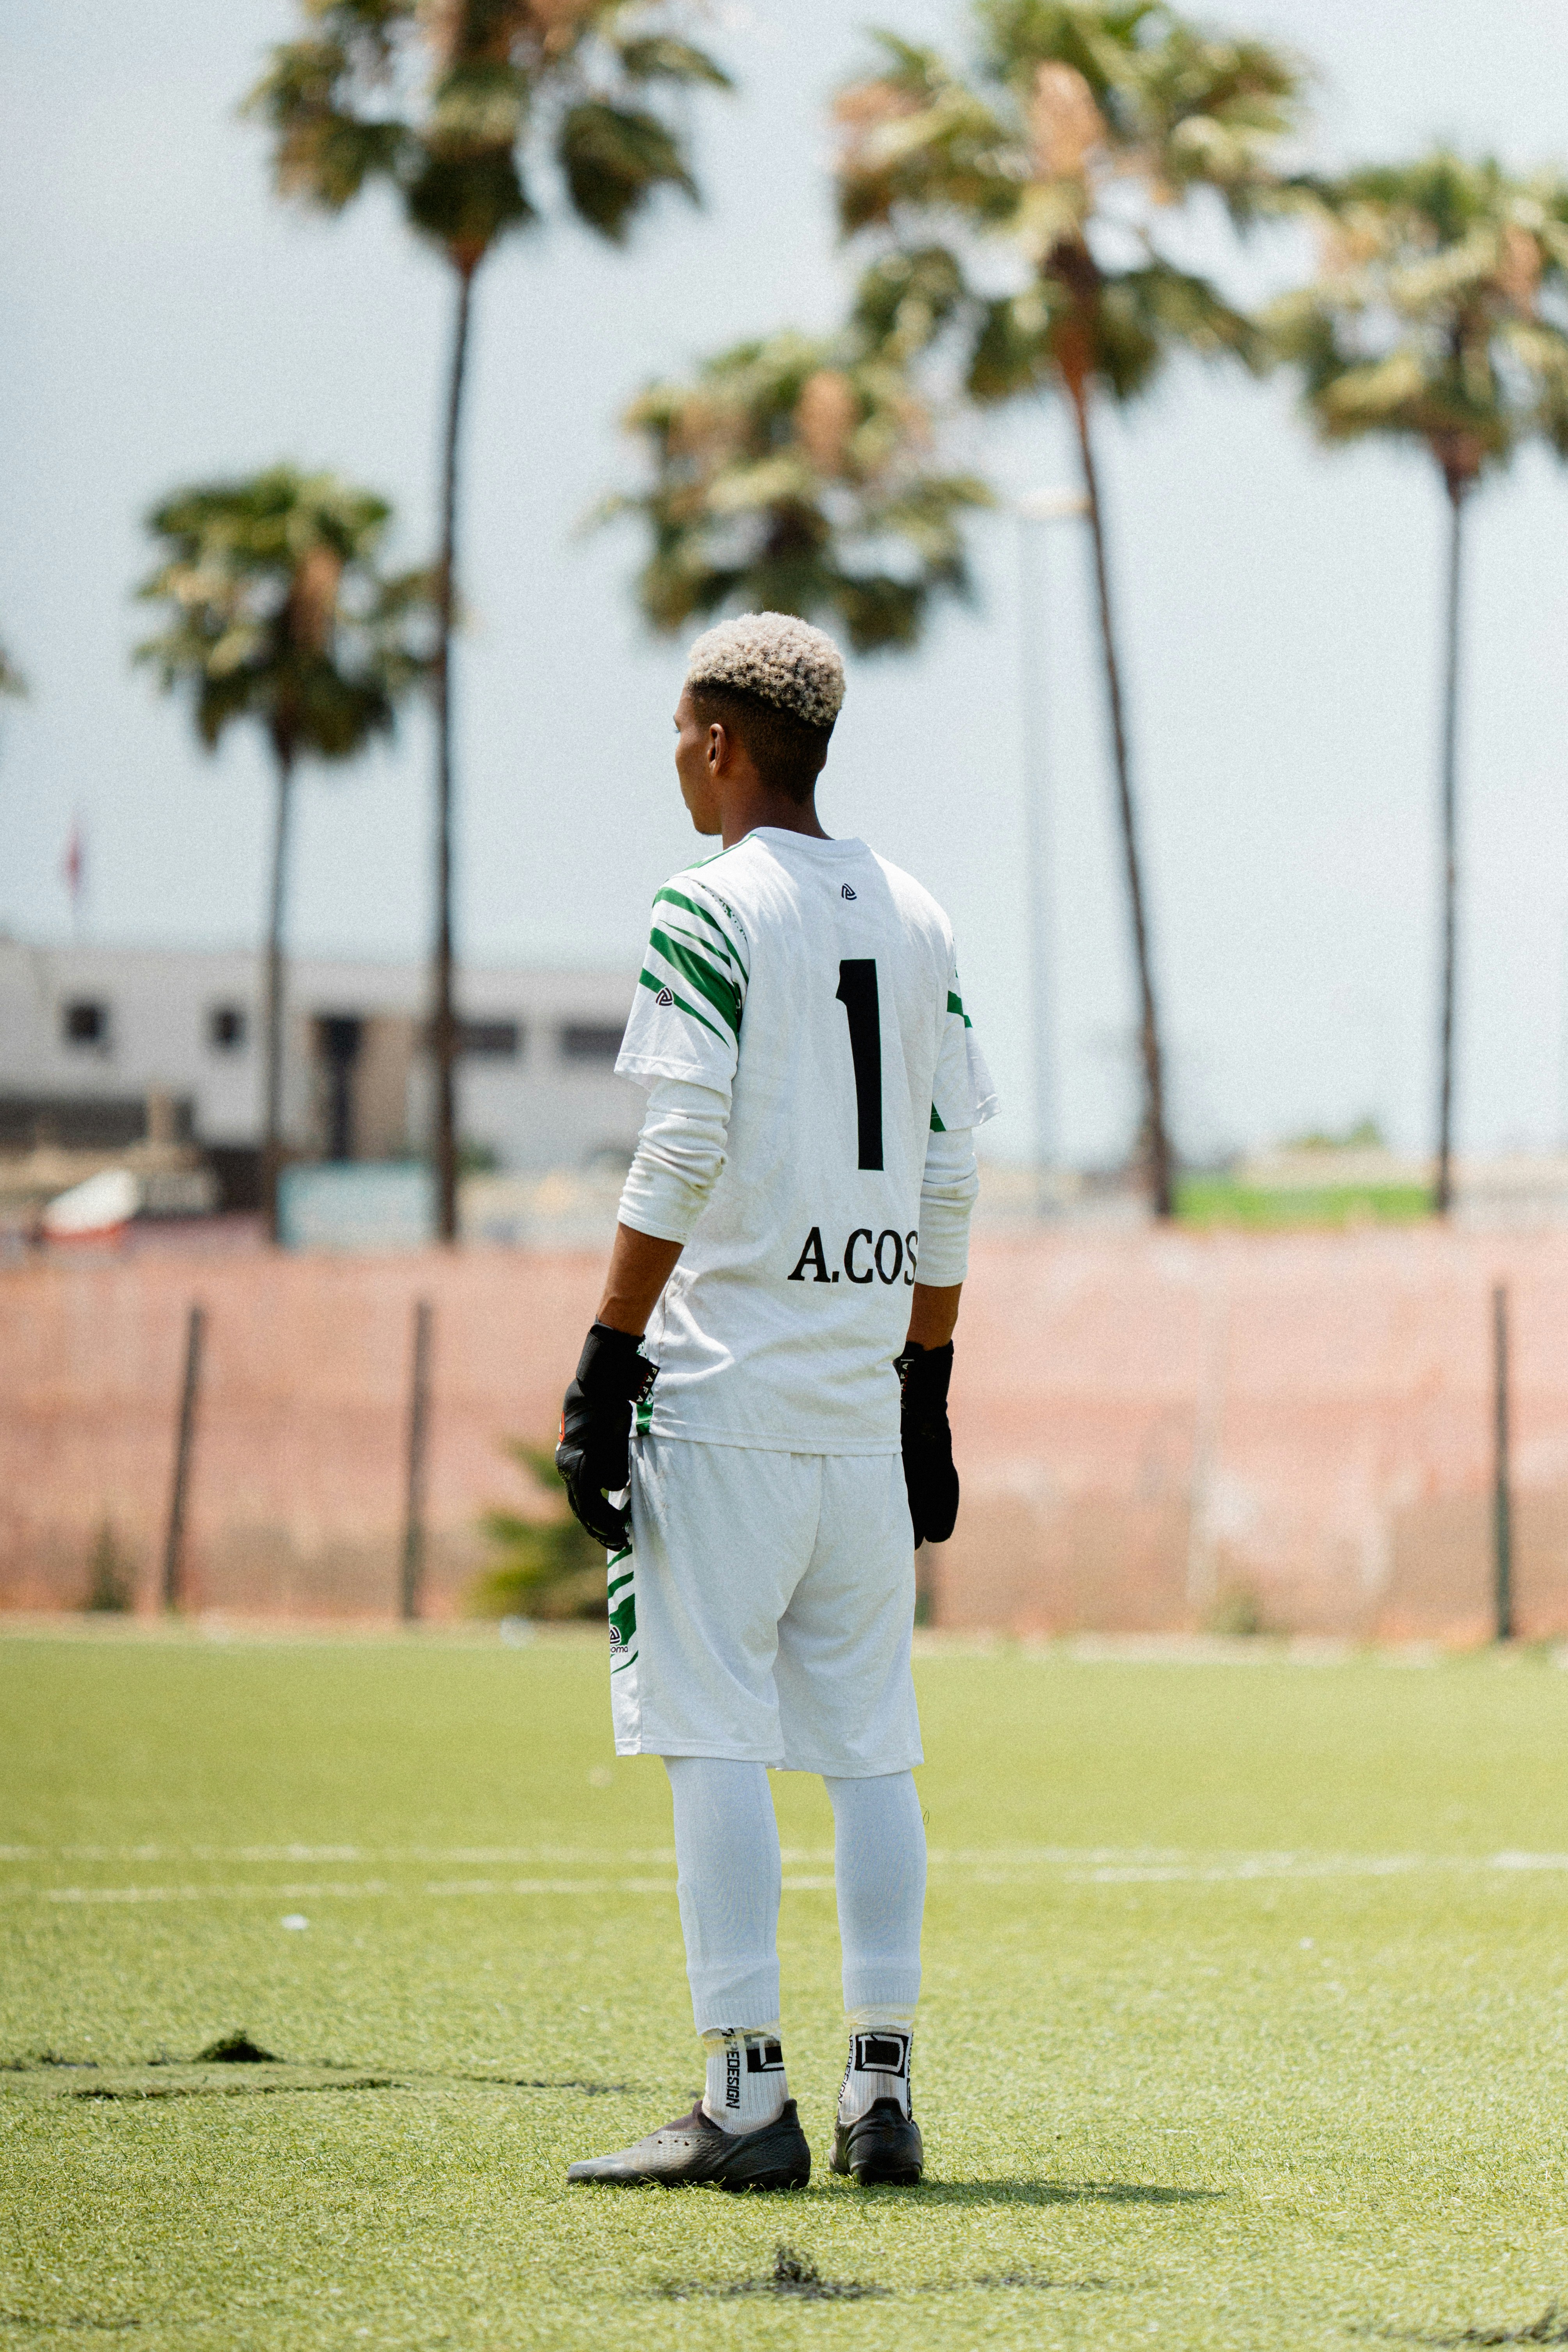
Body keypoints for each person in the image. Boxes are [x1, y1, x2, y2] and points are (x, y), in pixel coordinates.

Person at [557, 611, 995, 2192]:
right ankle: (883, 2091)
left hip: (725, 1393)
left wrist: (605, 1363)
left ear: (726, 740)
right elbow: (950, 1173)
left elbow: (676, 1150)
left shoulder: (707, 906)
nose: (674, 756)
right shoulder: (924, 913)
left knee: (709, 1734)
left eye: (682, 730)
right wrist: (927, 1386)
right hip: (859, 1425)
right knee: (874, 1749)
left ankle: (746, 2102)